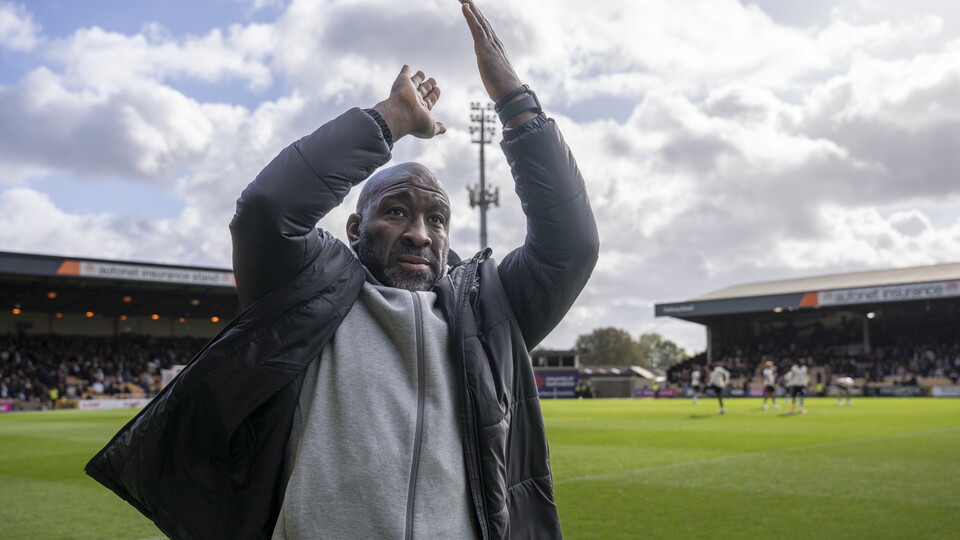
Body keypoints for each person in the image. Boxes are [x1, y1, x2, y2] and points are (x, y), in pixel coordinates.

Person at [84, 1, 599, 538]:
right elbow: (267, 209)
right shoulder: (302, 293)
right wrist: (391, 120)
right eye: (397, 211)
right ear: (355, 229)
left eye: (436, 219)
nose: (420, 233)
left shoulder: (489, 313)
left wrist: (516, 104)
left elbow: (572, 245)